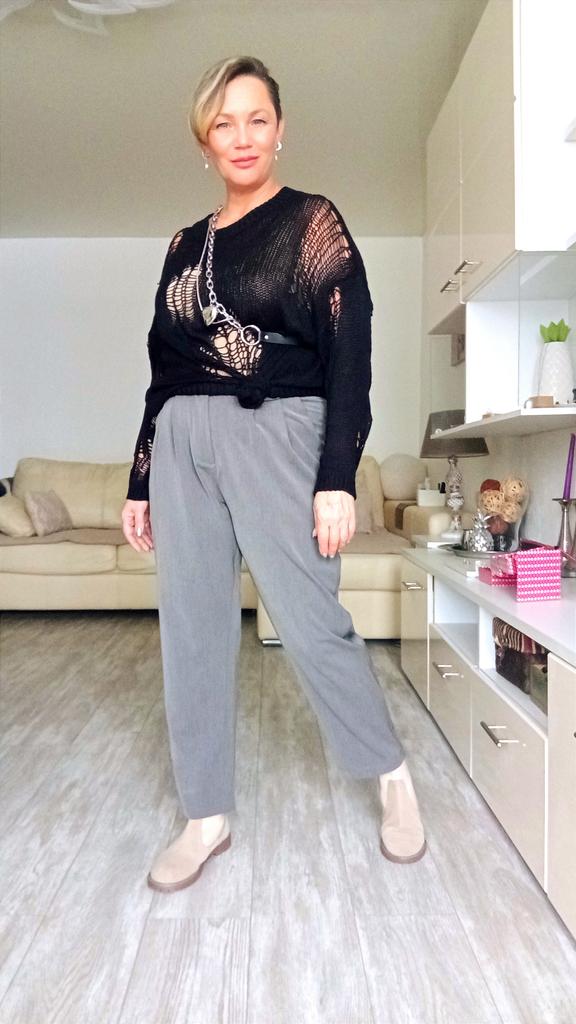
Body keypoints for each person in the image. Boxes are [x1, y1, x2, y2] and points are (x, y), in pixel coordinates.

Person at [121, 55, 427, 893]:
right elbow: (163, 368)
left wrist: (337, 477)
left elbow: (350, 352)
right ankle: (205, 815)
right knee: (191, 626)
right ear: (205, 142)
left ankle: (391, 774)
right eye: (224, 123)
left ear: (281, 129)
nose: (242, 136)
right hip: (181, 437)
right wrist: (141, 478)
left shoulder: (311, 222)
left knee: (308, 617)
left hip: (278, 429)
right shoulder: (184, 245)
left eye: (257, 118)